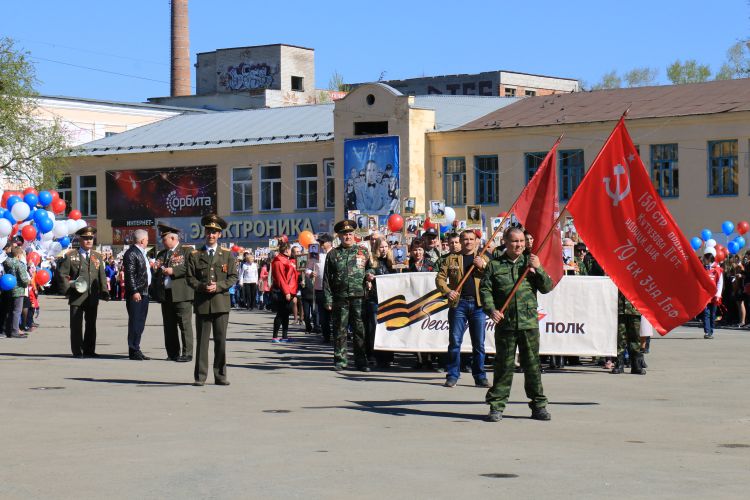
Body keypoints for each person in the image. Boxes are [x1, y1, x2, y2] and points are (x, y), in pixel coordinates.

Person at [480, 226, 554, 422]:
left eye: (521, 241)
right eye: (514, 241)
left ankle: (538, 406)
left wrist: (538, 269)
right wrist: (491, 309)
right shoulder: (494, 265)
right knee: (503, 366)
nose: (519, 245)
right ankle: (496, 406)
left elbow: (547, 287)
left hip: (528, 323)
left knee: (532, 366)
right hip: (506, 323)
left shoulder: (530, 263)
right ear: (505, 241)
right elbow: (485, 290)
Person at [187, 214, 237, 386]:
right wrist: (201, 287)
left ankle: (220, 375)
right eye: (209, 231)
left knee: (220, 342)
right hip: (202, 303)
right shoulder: (195, 255)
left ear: (220, 235)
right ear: (205, 233)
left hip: (221, 303)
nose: (211, 235)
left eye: (215, 232)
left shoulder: (227, 255)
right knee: (201, 343)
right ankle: (200, 377)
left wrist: (219, 286)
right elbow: (190, 278)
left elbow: (233, 277)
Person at [436, 229, 490, 388]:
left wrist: (483, 266)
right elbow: (440, 279)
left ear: (476, 241)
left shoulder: (483, 257)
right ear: (460, 240)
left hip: (478, 305)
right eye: (465, 239)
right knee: (455, 341)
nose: (468, 242)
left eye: (471, 239)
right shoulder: (451, 259)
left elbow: (493, 276)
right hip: (458, 304)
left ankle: (480, 376)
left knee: (479, 344)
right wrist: (448, 291)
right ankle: (452, 375)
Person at [323, 219, 374, 372]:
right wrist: (328, 299)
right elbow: (326, 279)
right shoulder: (333, 254)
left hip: (359, 297)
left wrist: (370, 275)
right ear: (339, 236)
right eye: (344, 234)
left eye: (350, 234)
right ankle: (340, 360)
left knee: (360, 330)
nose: (348, 237)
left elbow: (370, 269)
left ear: (354, 235)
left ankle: (361, 361)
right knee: (340, 330)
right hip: (340, 298)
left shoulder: (363, 251)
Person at [56, 226, 109, 357]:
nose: (89, 241)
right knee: (76, 326)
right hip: (77, 297)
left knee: (91, 325)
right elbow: (61, 274)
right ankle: (77, 351)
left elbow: (101, 274)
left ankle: (89, 350)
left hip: (92, 296)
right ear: (80, 240)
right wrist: (68, 289)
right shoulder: (71, 256)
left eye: (91, 238)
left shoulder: (97, 256)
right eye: (86, 238)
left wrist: (104, 291)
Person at [153, 224, 194, 362]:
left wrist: (174, 271)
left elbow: (190, 269)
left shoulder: (186, 251)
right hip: (166, 294)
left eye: (164, 239)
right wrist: (156, 269)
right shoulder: (162, 254)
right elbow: (156, 270)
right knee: (169, 325)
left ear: (173, 238)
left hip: (182, 294)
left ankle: (187, 353)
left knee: (184, 324)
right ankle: (172, 353)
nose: (162, 242)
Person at [364, 236, 394, 367]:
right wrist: (368, 277)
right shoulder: (372, 261)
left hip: (390, 299)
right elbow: (368, 272)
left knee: (389, 328)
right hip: (374, 299)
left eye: (386, 246)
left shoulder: (392, 262)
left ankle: (388, 357)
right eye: (381, 247)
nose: (384, 249)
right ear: (376, 248)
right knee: (374, 328)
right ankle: (372, 355)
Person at [124, 229, 152, 360]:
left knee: (140, 322)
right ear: (142, 240)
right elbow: (130, 275)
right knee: (135, 322)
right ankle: (133, 349)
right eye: (147, 240)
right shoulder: (131, 253)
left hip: (144, 292)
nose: (148, 241)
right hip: (137, 293)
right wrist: (134, 291)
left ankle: (137, 347)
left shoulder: (142, 253)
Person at [611, 291, 646, 375]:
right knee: (620, 338)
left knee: (635, 338)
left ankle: (636, 365)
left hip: (635, 308)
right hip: (619, 308)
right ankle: (619, 364)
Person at [271, 241, 297, 342]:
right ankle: (275, 336)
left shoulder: (287, 260)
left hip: (288, 290)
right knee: (280, 314)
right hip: (280, 291)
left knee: (285, 313)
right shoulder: (278, 261)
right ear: (286, 250)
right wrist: (286, 292)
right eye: (290, 249)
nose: (291, 251)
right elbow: (280, 278)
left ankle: (284, 336)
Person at [309, 233, 333, 342]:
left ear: (329, 243)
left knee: (335, 315)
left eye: (323, 242)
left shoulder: (336, 253)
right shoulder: (315, 254)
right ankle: (326, 336)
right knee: (323, 317)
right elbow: (308, 268)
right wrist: (310, 273)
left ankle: (338, 337)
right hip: (320, 289)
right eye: (320, 242)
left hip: (333, 290)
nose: (321, 244)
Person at [2, 247, 30, 339]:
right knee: (17, 311)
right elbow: (24, 279)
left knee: (10, 311)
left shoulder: (7, 262)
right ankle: (15, 331)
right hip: (19, 290)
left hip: (9, 288)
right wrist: (28, 282)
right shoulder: (19, 264)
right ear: (19, 255)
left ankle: (8, 330)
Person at [701, 247, 723, 339]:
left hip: (714, 296)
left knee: (713, 314)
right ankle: (707, 332)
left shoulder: (717, 269)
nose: (703, 260)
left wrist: (718, 295)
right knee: (706, 313)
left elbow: (720, 282)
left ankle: (711, 331)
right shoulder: (702, 268)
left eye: (705, 258)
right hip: (705, 296)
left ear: (709, 258)